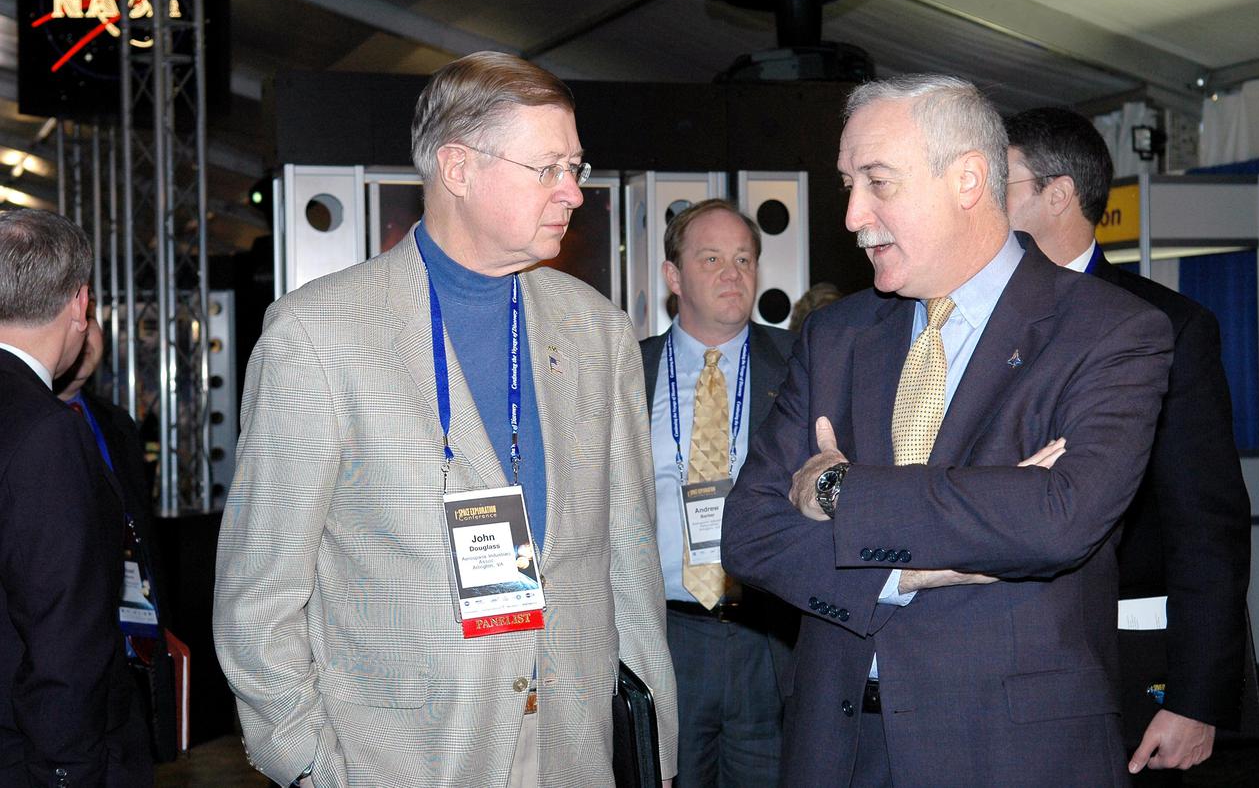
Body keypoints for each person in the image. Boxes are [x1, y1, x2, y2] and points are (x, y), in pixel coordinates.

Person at [214, 52, 677, 788]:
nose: (573, 193)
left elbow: (627, 557)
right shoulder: (318, 336)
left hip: (575, 750)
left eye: (576, 167)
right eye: (548, 167)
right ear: (458, 168)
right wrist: (309, 764)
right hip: (402, 759)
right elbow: (259, 594)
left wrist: (655, 740)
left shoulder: (599, 332)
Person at [721, 75, 1175, 787]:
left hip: (1010, 755)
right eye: (848, 183)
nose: (851, 216)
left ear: (967, 178)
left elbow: (1059, 518)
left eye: (877, 182)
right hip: (836, 750)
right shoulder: (835, 336)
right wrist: (906, 572)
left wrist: (840, 488)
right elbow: (749, 531)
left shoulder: (1110, 329)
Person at [1005, 106, 1252, 780]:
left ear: (1057, 196)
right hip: (992, 667)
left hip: (1121, 663)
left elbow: (1208, 526)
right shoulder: (966, 323)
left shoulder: (1168, 326)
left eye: (1001, 182)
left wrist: (1197, 700)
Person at [639, 199, 796, 786]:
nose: (733, 274)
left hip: (769, 638)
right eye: (711, 259)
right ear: (673, 277)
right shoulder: (629, 371)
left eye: (744, 258)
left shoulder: (801, 362)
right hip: (666, 638)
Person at [0, 207, 152, 786]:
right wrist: (69, 774)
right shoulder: (47, 430)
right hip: (31, 758)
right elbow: (62, 636)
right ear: (80, 305)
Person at [55, 293, 178, 765]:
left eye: (93, 321)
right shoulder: (24, 426)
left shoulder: (116, 424)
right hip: (63, 657)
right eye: (76, 320)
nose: (86, 333)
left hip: (130, 652)